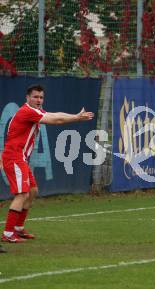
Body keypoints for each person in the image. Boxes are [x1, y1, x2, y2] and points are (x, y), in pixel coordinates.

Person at [0, 84, 94, 244]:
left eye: (41, 97)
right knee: (22, 194)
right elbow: (55, 120)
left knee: (32, 191)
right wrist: (77, 117)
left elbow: (54, 114)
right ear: (27, 98)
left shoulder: (35, 111)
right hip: (14, 157)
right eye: (35, 97)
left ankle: (18, 228)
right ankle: (8, 233)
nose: (38, 100)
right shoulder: (27, 111)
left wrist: (74, 115)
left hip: (20, 158)